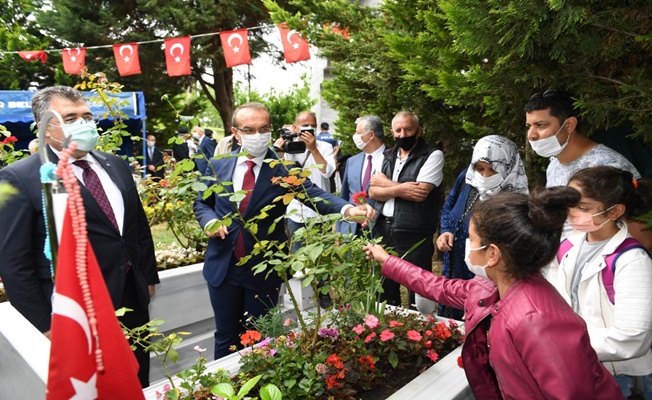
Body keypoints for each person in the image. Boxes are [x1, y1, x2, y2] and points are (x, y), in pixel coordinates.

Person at [364, 187, 623, 399]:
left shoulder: (536, 320)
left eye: (473, 239)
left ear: (492, 253)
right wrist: (387, 261)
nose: (467, 246)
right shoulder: (491, 287)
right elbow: (437, 286)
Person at [0, 86, 159, 387]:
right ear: (45, 128)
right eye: (70, 117)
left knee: (136, 382)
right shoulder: (21, 177)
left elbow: (137, 229)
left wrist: (147, 279)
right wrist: (45, 324)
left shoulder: (116, 165)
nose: (84, 123)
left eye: (87, 115)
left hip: (131, 299)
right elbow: (14, 264)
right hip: (76, 312)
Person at [193, 102, 374, 360]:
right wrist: (209, 222)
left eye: (263, 128)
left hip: (264, 268)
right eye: (249, 129)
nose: (257, 135)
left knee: (260, 337)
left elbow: (314, 194)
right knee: (225, 335)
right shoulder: (218, 165)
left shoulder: (282, 169)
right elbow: (202, 202)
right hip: (223, 266)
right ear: (236, 133)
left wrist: (346, 209)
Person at [544, 166, 652, 398]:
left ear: (615, 212)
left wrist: (565, 341)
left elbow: (633, 338)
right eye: (570, 205)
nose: (572, 213)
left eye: (583, 208)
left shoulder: (632, 261)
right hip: (572, 363)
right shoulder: (568, 246)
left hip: (611, 373)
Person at [524, 90, 652, 252]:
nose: (531, 135)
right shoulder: (554, 165)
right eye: (529, 126)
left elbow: (642, 237)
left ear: (569, 125)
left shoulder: (608, 165)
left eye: (541, 125)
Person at [436, 135, 529, 319]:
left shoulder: (515, 199)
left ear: (508, 167)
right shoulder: (467, 178)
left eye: (493, 170)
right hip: (454, 265)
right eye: (480, 168)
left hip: (486, 278)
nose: (484, 176)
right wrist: (446, 230)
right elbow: (449, 206)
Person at [368, 111, 444, 309]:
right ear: (392, 132)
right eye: (398, 130)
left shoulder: (432, 155)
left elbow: (420, 193)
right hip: (384, 230)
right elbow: (373, 192)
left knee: (418, 291)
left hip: (415, 233)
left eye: (408, 129)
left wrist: (386, 184)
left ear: (418, 131)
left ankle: (421, 332)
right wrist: (402, 188)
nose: (403, 134)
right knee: (385, 291)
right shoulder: (387, 156)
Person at [273, 111, 336, 253]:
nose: (309, 129)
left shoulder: (325, 147)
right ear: (295, 128)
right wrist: (279, 152)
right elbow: (279, 176)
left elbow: (327, 172)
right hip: (297, 211)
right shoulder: (289, 147)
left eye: (312, 126)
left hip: (321, 211)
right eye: (305, 125)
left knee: (322, 256)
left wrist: (313, 150)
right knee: (299, 254)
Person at [337, 115, 386, 236]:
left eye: (358, 133)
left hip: (379, 230)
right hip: (350, 231)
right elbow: (344, 197)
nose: (355, 136)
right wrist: (339, 229)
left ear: (371, 135)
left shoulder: (392, 159)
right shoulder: (352, 161)